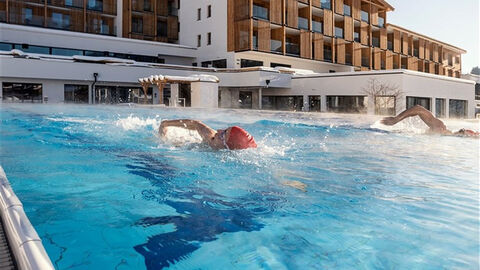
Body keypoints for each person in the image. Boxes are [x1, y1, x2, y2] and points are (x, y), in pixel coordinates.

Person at [381, 105, 479, 137]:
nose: (474, 133)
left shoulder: (442, 133)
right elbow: (418, 108)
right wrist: (396, 119)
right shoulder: (440, 128)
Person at [159, 119, 257, 150]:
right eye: (224, 130)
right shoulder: (211, 137)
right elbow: (195, 123)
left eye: (223, 133)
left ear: (226, 145)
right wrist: (165, 124)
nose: (218, 130)